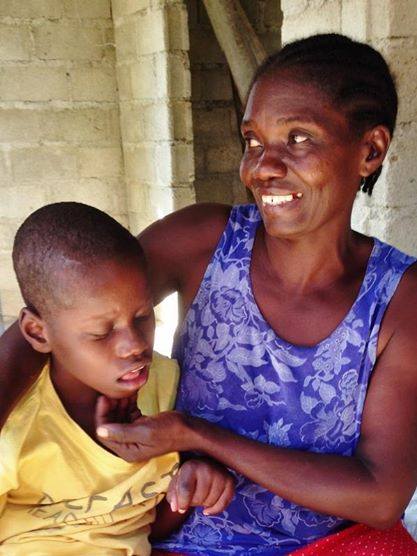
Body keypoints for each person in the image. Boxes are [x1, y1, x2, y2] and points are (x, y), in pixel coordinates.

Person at [1, 32, 417, 555]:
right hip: (186, 534)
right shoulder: (203, 241)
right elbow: (60, 312)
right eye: (253, 140)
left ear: (370, 150)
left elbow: (381, 496)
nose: (263, 165)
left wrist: (197, 434)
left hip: (330, 543)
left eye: (300, 139)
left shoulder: (399, 298)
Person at [0, 202, 234, 555]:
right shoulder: (15, 428)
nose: (135, 345)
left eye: (142, 317)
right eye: (100, 332)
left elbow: (147, 524)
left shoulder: (164, 386)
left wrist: (193, 481)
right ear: (37, 332)